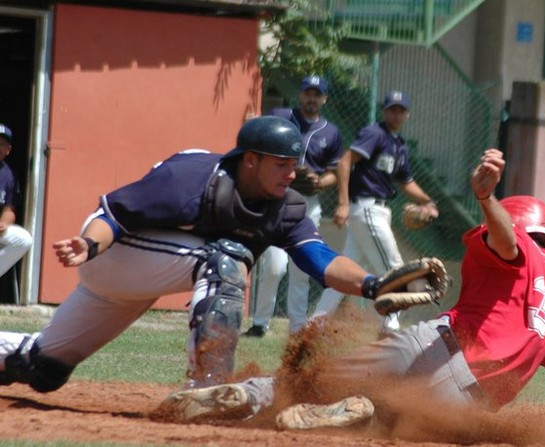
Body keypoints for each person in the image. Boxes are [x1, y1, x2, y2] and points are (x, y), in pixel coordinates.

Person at [164, 148, 545, 438]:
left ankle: (252, 393)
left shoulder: (519, 246)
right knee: (399, 423)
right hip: (467, 398)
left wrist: (486, 199)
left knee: (309, 381)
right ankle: (363, 412)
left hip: (431, 346)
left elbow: (507, 243)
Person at [0, 116, 411, 393]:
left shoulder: (285, 205)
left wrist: (372, 285)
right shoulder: (193, 178)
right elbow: (114, 213)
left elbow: (319, 258)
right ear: (250, 160)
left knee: (43, 369)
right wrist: (88, 245)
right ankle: (208, 387)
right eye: (282, 164)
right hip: (114, 255)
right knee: (226, 259)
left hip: (148, 275)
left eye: (294, 165)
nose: (292, 174)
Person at [312, 90, 438, 334]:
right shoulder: (375, 134)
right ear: (384, 110)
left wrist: (428, 201)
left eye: (401, 110)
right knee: (395, 268)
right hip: (367, 208)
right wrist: (343, 203)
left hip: (377, 211)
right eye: (392, 108)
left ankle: (314, 324)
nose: (396, 113)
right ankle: (391, 326)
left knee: (344, 273)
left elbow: (406, 182)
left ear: (407, 114)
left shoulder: (399, 145)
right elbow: (345, 161)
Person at [244, 75, 344, 337]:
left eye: (317, 94)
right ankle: (260, 323)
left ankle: (297, 328)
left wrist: (321, 182)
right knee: (274, 266)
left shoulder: (331, 132)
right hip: (278, 197)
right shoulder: (282, 116)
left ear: (324, 98)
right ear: (300, 95)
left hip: (308, 203)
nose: (311, 98)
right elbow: (256, 127)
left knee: (302, 269)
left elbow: (334, 171)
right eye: (307, 93)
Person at [0, 124, 33, 285]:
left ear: (8, 150)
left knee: (24, 239)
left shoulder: (9, 175)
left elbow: (9, 209)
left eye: (1, 144)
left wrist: (4, 223)